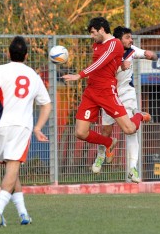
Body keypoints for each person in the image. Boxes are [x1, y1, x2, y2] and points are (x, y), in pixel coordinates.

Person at [0, 36, 51, 227]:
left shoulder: (0, 70)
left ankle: (23, 214)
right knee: (13, 168)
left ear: (8, 53)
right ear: (27, 55)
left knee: (12, 171)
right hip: (21, 127)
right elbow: (46, 104)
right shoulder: (33, 75)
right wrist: (38, 127)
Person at [62, 17, 151, 165]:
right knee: (80, 132)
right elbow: (102, 63)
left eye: (93, 32)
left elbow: (101, 62)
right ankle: (109, 142)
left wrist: (80, 75)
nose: (91, 36)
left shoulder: (114, 44)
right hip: (91, 92)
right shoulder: (96, 44)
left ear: (102, 30)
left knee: (129, 129)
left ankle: (139, 116)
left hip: (107, 91)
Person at [91, 26, 158, 183]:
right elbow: (101, 70)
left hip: (127, 95)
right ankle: (101, 155)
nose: (131, 40)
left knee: (130, 131)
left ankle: (133, 168)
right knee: (106, 131)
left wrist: (151, 55)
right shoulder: (107, 51)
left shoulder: (132, 50)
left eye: (131, 37)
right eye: (128, 37)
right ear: (118, 39)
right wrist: (121, 65)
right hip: (110, 94)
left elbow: (150, 55)